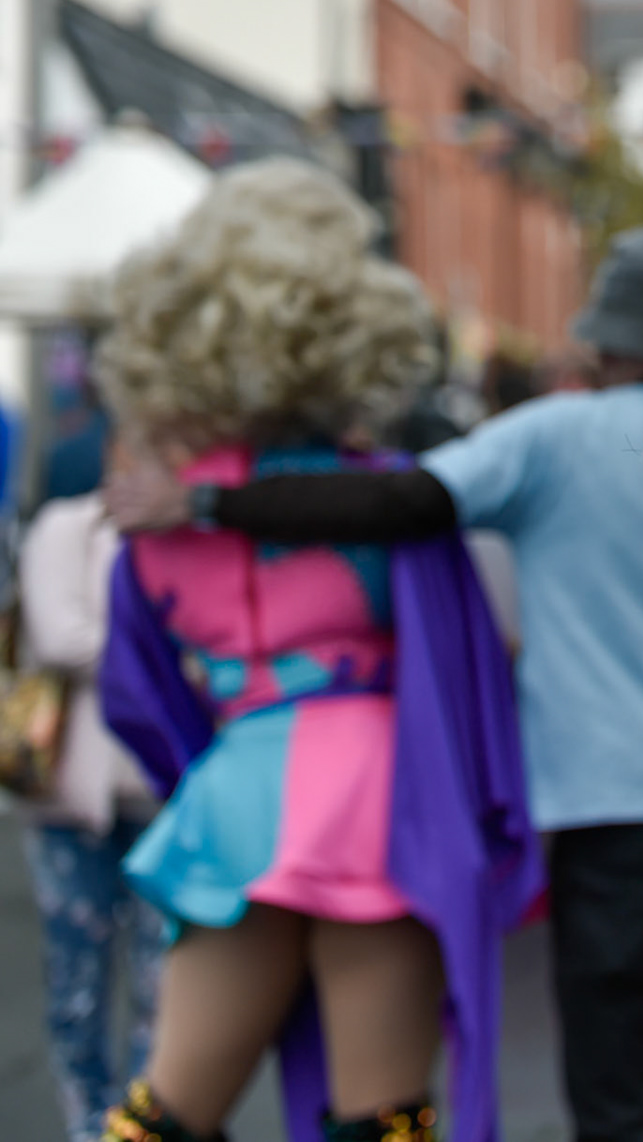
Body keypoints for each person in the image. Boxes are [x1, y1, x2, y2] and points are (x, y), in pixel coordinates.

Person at [105, 225, 643, 1142]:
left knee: (612, 1107)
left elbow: (402, 506)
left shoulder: (554, 435)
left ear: (603, 338)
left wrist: (205, 505)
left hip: (588, 818)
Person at [91, 159, 541, 1142]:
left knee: (162, 1113)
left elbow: (135, 689)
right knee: (381, 1119)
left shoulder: (159, 515)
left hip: (236, 798)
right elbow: (471, 657)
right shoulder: (381, 493)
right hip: (389, 803)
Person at [15, 474, 165, 1142]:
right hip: (69, 797)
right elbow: (60, 638)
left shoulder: (186, 531)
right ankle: (86, 1125)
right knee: (77, 983)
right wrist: (164, 657)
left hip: (163, 793)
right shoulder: (63, 527)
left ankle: (138, 1129)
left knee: (164, 991)